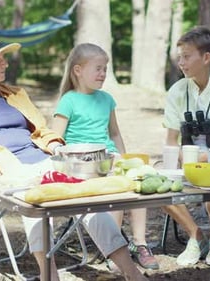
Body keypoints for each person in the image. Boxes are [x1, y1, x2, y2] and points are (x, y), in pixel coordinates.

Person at [0, 30, 148, 281]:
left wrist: (58, 148)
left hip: (41, 163)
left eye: (3, 58)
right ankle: (49, 275)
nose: (5, 63)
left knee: (87, 196)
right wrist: (0, 158)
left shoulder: (16, 94)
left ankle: (132, 273)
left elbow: (42, 131)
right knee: (35, 201)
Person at [51, 43, 159, 270]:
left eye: (105, 69)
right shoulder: (68, 100)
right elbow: (55, 140)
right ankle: (115, 251)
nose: (103, 74)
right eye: (98, 68)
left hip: (107, 156)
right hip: (80, 163)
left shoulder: (107, 99)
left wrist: (124, 158)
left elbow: (115, 133)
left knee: (137, 180)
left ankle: (140, 244)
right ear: (78, 70)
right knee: (115, 187)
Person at [162, 26, 210, 266]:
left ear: (206, 58)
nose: (181, 63)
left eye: (187, 57)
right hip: (185, 163)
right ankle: (197, 236)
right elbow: (170, 140)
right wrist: (175, 162)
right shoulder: (177, 91)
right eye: (180, 57)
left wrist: (205, 160)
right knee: (156, 187)